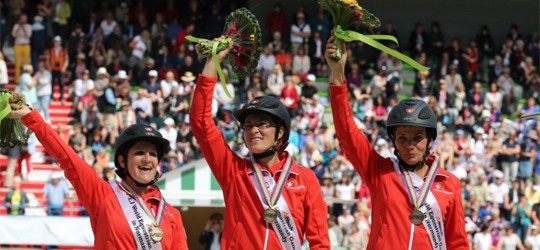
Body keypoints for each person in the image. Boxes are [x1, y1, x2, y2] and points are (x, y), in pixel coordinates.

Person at [325, 35, 468, 249]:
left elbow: (457, 243)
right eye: (402, 137)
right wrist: (338, 73)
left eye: (418, 138)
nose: (410, 144)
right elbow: (347, 134)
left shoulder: (450, 183)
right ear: (393, 139)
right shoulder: (379, 173)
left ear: (430, 140)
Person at [190, 38, 329, 249]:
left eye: (262, 124)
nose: (253, 130)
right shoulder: (233, 171)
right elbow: (201, 123)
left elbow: (320, 243)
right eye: (247, 125)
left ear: (280, 132)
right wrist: (211, 63)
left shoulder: (306, 179)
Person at [7, 104, 188, 249]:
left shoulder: (172, 214)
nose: (148, 159)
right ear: (122, 161)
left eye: (153, 154)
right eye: (140, 152)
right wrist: (32, 118)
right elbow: (67, 157)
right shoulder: (102, 194)